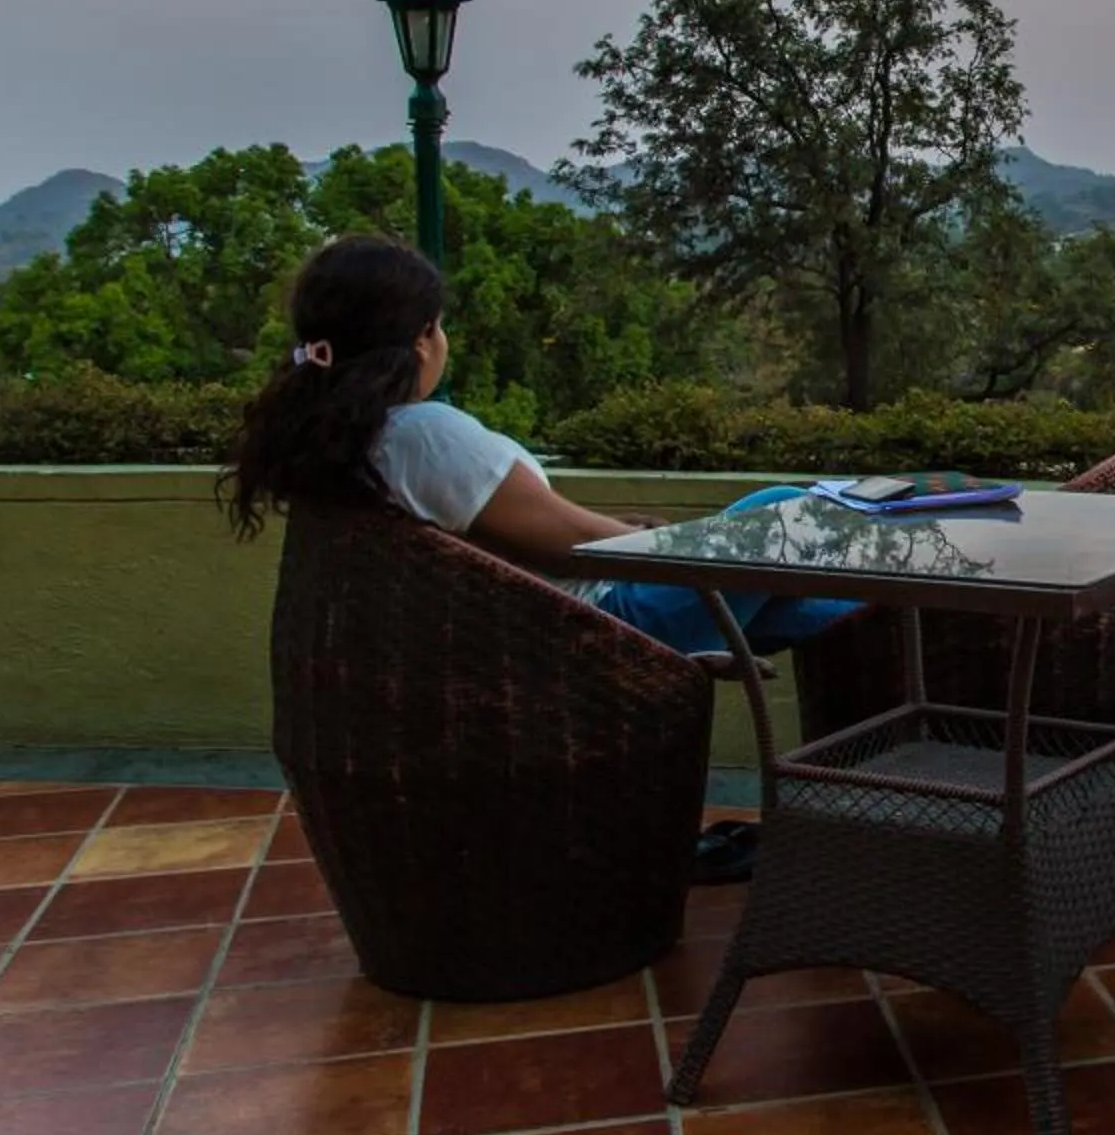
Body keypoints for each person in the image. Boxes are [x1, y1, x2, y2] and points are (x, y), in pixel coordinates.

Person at [221, 234, 860, 877]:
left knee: (782, 595)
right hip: (600, 630)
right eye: (438, 327)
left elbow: (516, 541)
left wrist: (630, 532)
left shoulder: (349, 444)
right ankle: (913, 658)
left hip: (522, 635)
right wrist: (647, 537)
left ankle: (876, 635)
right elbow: (585, 550)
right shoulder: (423, 436)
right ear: (419, 339)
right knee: (781, 510)